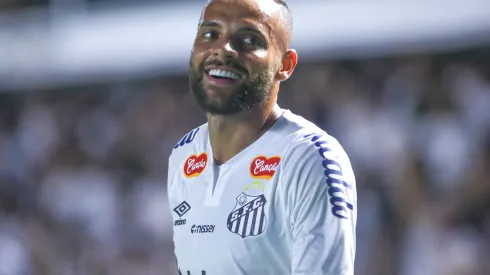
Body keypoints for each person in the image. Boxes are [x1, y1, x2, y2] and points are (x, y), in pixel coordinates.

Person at [167, 0, 357, 274]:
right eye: (209, 34)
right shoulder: (182, 156)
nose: (223, 49)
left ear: (285, 65)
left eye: (248, 39)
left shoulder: (308, 157)